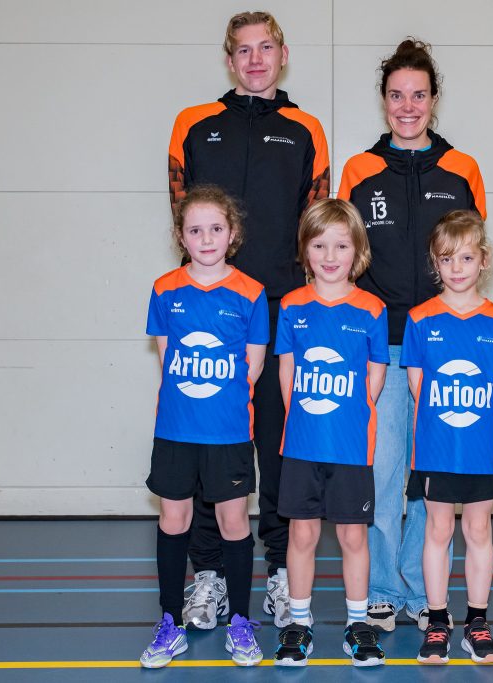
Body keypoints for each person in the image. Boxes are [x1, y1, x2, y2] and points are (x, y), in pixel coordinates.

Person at [167, 11, 331, 629]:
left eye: (266, 48)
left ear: (283, 54)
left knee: (280, 445)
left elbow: (316, 224)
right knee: (210, 445)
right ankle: (208, 575)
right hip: (209, 315)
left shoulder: (306, 129)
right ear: (229, 58)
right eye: (243, 49)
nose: (255, 59)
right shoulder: (193, 124)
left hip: (282, 312)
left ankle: (282, 571)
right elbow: (183, 217)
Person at [337, 38, 486, 631]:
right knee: (381, 471)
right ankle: (381, 587)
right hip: (381, 345)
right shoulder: (359, 170)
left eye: (418, 95)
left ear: (433, 100)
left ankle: (424, 589)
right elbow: (341, 260)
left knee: (430, 477)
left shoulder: (463, 170)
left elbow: (470, 256)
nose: (407, 106)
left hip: (443, 348)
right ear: (383, 100)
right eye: (397, 95)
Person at [140, 186, 268, 667]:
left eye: (216, 228)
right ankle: (169, 622)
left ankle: (240, 622)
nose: (206, 238)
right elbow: (167, 360)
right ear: (181, 236)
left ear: (232, 234)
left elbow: (252, 369)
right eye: (195, 230)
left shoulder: (251, 293)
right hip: (176, 431)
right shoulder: (164, 289)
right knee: (173, 520)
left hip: (227, 434)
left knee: (234, 523)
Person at [271, 199, 388, 667]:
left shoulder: (372, 309)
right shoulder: (292, 305)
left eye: (341, 245)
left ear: (357, 250)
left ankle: (357, 624)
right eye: (319, 245)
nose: (330, 256)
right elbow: (287, 373)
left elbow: (374, 375)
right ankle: (298, 623)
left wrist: (348, 416)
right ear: (305, 250)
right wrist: (307, 419)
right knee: (301, 534)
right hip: (302, 444)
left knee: (353, 537)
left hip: (351, 446)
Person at [402, 210, 493, 664]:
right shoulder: (420, 319)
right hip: (436, 449)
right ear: (436, 263)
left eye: (466, 257)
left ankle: (477, 622)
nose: (457, 267)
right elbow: (418, 387)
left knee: (478, 529)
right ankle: (436, 621)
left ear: (483, 260)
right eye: (446, 258)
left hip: (482, 451)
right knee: (438, 529)